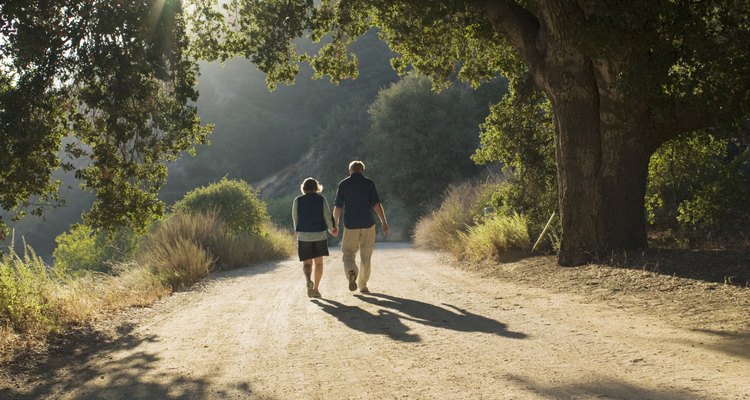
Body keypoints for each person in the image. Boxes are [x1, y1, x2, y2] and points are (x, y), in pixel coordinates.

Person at [332, 161, 389, 294]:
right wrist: (384, 222)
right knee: (366, 255)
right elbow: (376, 204)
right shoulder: (369, 183)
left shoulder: (344, 184)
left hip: (351, 225)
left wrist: (334, 225)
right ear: (362, 170)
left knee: (348, 254)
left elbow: (338, 207)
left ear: (350, 170)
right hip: (368, 224)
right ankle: (363, 285)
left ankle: (351, 271)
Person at [292, 177, 336, 298]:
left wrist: (297, 230)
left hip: (304, 237)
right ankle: (316, 289)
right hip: (319, 236)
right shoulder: (321, 199)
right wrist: (332, 230)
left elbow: (295, 218)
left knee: (307, 264)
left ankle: (308, 281)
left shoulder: (297, 200)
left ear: (304, 188)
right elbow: (327, 216)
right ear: (317, 187)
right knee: (319, 264)